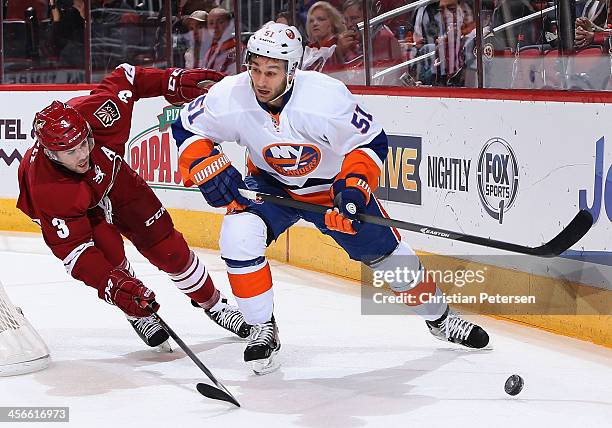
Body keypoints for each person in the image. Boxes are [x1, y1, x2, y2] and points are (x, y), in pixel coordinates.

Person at [171, 23, 490, 374]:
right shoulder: (230, 95)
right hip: (271, 187)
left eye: (272, 72)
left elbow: (369, 143)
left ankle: (440, 320)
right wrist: (206, 163)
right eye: (256, 69)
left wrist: (352, 190)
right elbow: (187, 127)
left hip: (331, 190)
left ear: (293, 70)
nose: (261, 81)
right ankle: (262, 328)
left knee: (389, 258)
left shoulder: (325, 98)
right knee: (237, 235)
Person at [17, 64, 251, 351]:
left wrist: (171, 81)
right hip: (76, 207)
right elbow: (75, 253)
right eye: (70, 152)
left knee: (169, 248)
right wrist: (114, 286)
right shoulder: (48, 189)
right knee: (110, 255)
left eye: (84, 143)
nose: (82, 155)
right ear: (51, 154)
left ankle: (214, 303)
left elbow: (128, 76)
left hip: (114, 178)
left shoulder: (101, 112)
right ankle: (134, 306)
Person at [302, 1, 346, 73]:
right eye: (311, 21)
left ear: (332, 22)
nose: (315, 24)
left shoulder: (341, 45)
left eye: (321, 19)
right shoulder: (308, 49)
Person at [201, 7, 242, 75]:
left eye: (220, 22)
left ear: (230, 25)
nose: (215, 26)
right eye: (211, 23)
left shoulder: (237, 49)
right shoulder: (211, 49)